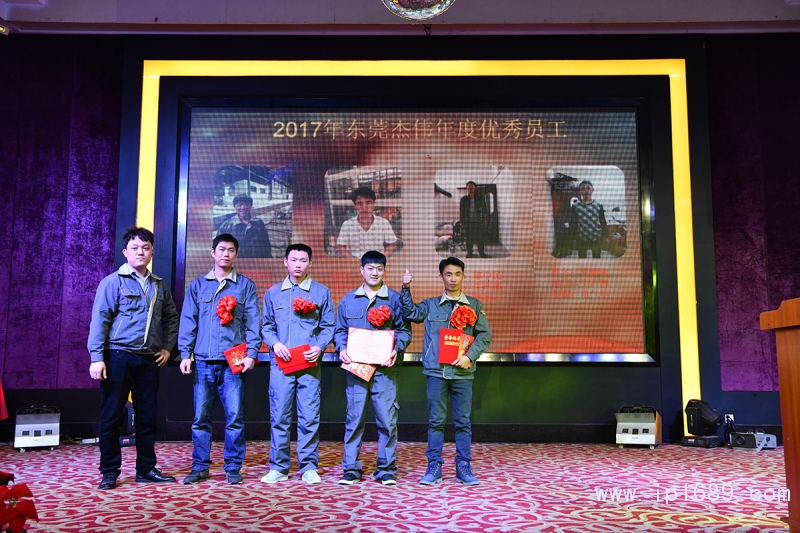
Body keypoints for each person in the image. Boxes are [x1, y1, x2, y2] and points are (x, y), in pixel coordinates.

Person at [87, 227, 179, 490]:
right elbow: (100, 321)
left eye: (146, 248)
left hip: (149, 360)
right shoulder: (112, 282)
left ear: (152, 252)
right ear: (125, 252)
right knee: (112, 416)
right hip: (117, 357)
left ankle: (146, 469)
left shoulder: (159, 285)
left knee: (147, 417)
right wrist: (97, 357)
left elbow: (171, 319)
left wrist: (167, 348)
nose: (141, 252)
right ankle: (109, 471)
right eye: (135, 248)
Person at [178, 234, 261, 485]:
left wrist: (252, 353)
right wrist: (185, 354)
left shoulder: (245, 286)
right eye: (222, 249)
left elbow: (252, 323)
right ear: (212, 252)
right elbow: (188, 322)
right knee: (200, 418)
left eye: (231, 250)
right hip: (203, 361)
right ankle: (200, 466)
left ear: (236, 255)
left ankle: (233, 466)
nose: (226, 254)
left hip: (233, 361)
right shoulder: (198, 285)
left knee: (235, 417)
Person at [401, 257, 491, 486]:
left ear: (463, 276)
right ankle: (434, 466)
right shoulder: (431, 305)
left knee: (463, 422)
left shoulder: (474, 305)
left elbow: (484, 336)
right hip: (436, 373)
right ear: (441, 276)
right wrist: (406, 288)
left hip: (462, 374)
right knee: (436, 422)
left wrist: (469, 356)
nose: (453, 279)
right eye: (449, 274)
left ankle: (464, 466)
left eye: (457, 274)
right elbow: (411, 313)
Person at [334, 251, 411, 486]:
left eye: (379, 268)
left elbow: (404, 331)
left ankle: (386, 469)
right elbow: (339, 331)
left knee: (387, 420)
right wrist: (341, 348)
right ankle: (351, 468)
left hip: (385, 371)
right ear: (362, 270)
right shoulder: (348, 300)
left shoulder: (395, 299)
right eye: (370, 268)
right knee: (354, 419)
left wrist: (396, 348)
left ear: (384, 271)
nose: (374, 273)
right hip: (356, 370)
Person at [260, 243, 335, 484]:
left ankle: (309, 467)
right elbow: (266, 326)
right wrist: (275, 344)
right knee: (279, 416)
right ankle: (279, 467)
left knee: (309, 417)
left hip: (309, 364)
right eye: (293, 260)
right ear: (285, 262)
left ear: (310, 263)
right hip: (281, 365)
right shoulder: (273, 293)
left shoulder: (321, 292)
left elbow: (328, 327)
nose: (298, 265)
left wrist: (319, 347)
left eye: (303, 260)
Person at [337, 186, 398, 259]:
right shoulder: (347, 225)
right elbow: (341, 246)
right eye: (359, 203)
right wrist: (352, 261)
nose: (364, 207)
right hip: (355, 262)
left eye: (368, 202)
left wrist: (383, 258)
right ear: (355, 205)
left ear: (374, 204)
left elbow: (392, 244)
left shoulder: (383, 223)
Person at [217, 194, 272, 258]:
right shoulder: (226, 226)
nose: (243, 208)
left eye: (246, 204)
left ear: (251, 206)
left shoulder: (258, 223)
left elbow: (266, 245)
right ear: (234, 206)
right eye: (239, 205)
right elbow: (219, 248)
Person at [571, 180, 607, 259]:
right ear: (580, 191)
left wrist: (605, 236)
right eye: (583, 189)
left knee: (596, 257)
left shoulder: (598, 205)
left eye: (588, 188)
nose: (586, 191)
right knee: (582, 257)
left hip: (596, 236)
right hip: (581, 237)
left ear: (592, 190)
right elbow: (573, 223)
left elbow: (603, 221)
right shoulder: (575, 206)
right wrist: (573, 238)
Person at [459, 181, 489, 258]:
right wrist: (462, 222)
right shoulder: (463, 199)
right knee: (469, 238)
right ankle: (469, 253)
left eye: (472, 186)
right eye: (469, 186)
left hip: (479, 222)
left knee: (480, 238)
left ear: (475, 188)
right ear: (467, 188)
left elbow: (485, 209)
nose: (471, 187)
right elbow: (461, 211)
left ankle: (481, 253)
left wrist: (485, 219)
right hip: (468, 222)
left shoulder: (480, 198)